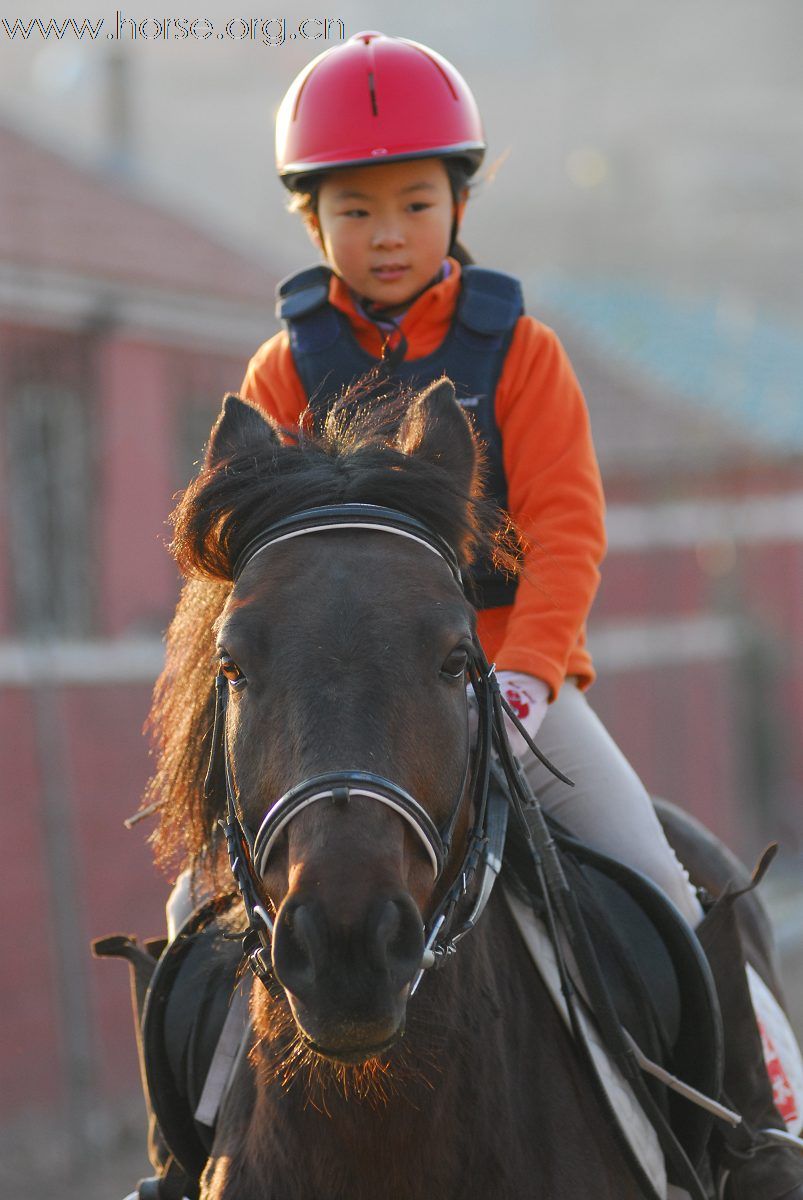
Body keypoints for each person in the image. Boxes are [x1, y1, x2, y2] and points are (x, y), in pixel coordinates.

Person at [236, 32, 802, 1198]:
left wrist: (527, 670)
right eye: (354, 209)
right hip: (335, 720)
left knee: (666, 873)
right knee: (197, 907)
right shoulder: (278, 375)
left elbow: (565, 532)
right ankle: (181, 1147)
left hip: (506, 685)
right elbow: (244, 587)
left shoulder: (524, 356)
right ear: (313, 225)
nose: (386, 233)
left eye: (412, 201)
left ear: (456, 201)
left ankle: (752, 1136)